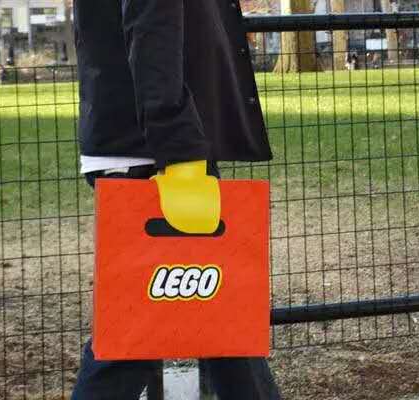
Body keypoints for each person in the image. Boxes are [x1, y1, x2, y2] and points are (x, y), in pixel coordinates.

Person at [71, 1, 280, 399]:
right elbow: (152, 30)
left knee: (221, 317)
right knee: (134, 338)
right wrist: (179, 144)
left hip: (146, 142)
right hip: (156, 150)